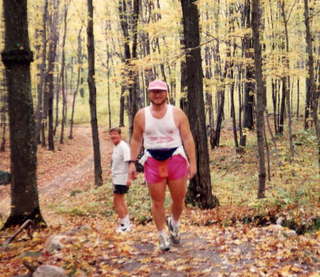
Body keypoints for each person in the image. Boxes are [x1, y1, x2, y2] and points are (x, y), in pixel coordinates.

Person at [128, 80, 196, 251]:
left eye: (160, 91)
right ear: (149, 94)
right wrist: (131, 162)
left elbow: (188, 138)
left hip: (175, 158)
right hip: (153, 160)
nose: (157, 95)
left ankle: (174, 222)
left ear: (166, 93)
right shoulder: (141, 115)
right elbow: (136, 139)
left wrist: (193, 162)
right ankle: (162, 235)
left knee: (178, 198)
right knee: (157, 200)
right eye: (153, 91)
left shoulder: (177, 113)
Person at [110, 127, 132, 233]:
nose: (113, 136)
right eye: (111, 134)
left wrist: (129, 178)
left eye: (115, 134)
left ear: (120, 135)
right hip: (116, 178)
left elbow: (129, 162)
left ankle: (124, 226)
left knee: (117, 201)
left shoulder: (124, 147)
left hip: (122, 178)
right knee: (120, 201)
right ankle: (127, 224)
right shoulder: (116, 147)